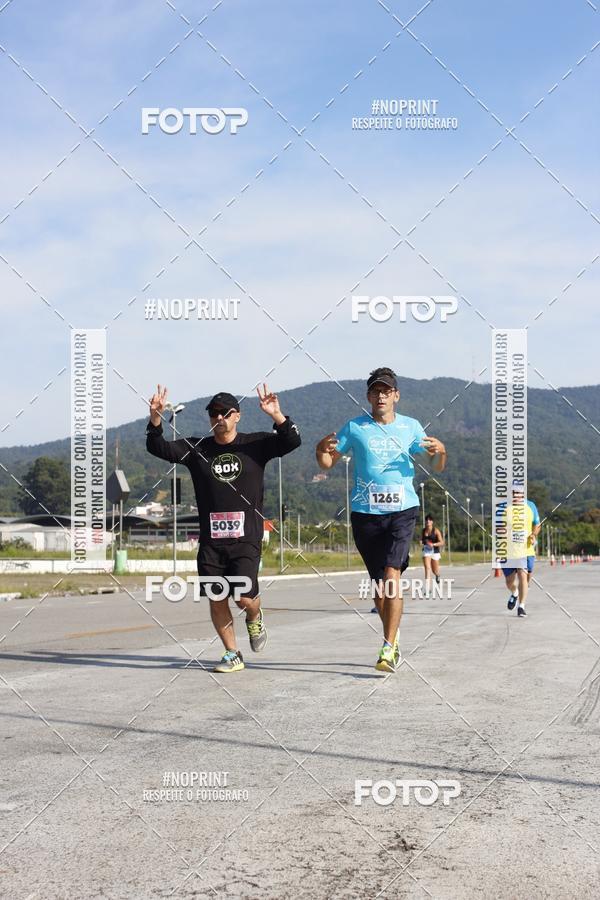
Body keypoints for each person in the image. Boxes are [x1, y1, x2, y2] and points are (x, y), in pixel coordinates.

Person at [146, 384, 301, 672]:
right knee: (216, 596)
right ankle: (232, 653)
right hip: (211, 541)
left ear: (237, 416)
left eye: (225, 413)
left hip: (246, 538)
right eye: (214, 413)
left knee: (243, 597)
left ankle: (254, 617)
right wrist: (156, 420)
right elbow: (158, 447)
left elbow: (291, 441)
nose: (219, 418)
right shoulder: (197, 449)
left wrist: (277, 415)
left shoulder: (254, 444)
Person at [315, 367, 447, 673]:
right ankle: (394, 635)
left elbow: (436, 465)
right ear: (368, 396)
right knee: (379, 586)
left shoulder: (411, 427)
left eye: (386, 391)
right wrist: (320, 450)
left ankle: (388, 648)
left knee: (391, 574)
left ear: (396, 396)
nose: (381, 396)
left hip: (402, 511)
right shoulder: (355, 427)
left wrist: (441, 452)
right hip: (365, 513)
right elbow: (328, 462)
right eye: (376, 391)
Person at [501, 488, 541, 617]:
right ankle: (514, 593)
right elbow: (502, 527)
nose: (516, 495)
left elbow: (537, 524)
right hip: (509, 550)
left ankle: (521, 606)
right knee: (509, 581)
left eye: (519, 493)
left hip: (525, 549)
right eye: (513, 493)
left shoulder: (531, 506)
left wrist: (534, 534)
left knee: (523, 576)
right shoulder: (505, 508)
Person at [422, 514, 444, 590]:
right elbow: (422, 540)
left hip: (435, 551)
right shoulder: (423, 530)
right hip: (426, 551)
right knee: (427, 568)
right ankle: (427, 588)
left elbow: (442, 542)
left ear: (432, 522)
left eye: (430, 520)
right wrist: (421, 541)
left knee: (435, 570)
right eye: (427, 520)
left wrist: (433, 544)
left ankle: (437, 575)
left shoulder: (436, 531)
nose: (428, 521)